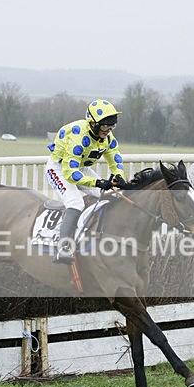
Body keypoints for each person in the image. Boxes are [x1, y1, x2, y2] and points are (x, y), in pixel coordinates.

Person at [45, 99, 126, 264]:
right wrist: (97, 183)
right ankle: (63, 248)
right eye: (104, 126)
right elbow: (70, 174)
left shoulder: (107, 137)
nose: (108, 130)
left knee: (114, 194)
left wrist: (118, 175)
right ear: (93, 123)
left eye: (112, 126)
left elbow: (115, 158)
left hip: (79, 167)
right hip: (60, 169)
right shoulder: (78, 136)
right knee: (75, 203)